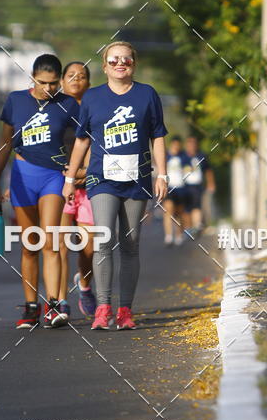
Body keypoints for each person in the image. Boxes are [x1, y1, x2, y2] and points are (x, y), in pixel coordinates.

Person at [63, 41, 168, 330]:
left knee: (131, 245)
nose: (120, 63)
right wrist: (71, 178)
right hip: (101, 178)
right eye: (114, 60)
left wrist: (162, 174)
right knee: (104, 239)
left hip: (137, 179)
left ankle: (125, 311)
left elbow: (157, 135)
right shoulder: (94, 98)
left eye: (126, 59)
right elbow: (82, 139)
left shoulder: (147, 94)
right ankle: (103, 307)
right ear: (105, 66)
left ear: (134, 63)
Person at [0, 54, 79, 330]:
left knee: (51, 240)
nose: (49, 89)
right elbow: (5, 144)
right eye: (43, 83)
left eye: (54, 83)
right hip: (22, 174)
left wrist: (74, 175)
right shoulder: (16, 101)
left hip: (53, 176)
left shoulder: (68, 105)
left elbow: (80, 143)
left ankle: (53, 304)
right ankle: (31, 307)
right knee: (30, 244)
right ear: (32, 77)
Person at [58, 61, 97, 319]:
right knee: (59, 244)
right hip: (58, 183)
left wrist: (84, 172)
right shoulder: (52, 109)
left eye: (81, 76)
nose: (76, 79)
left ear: (88, 83)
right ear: (61, 81)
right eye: (70, 75)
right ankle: (60, 300)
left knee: (88, 246)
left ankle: (84, 284)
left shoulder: (94, 108)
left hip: (87, 183)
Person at [183, 135, 216, 236]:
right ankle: (188, 228)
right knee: (186, 208)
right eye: (190, 143)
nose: (192, 146)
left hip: (197, 186)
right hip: (184, 186)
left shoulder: (201, 156)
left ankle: (197, 227)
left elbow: (208, 171)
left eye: (194, 143)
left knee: (196, 206)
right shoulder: (183, 157)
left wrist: (211, 183)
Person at [163, 136, 188, 246]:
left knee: (179, 213)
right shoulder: (166, 156)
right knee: (168, 211)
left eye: (178, 145)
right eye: (175, 144)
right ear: (172, 144)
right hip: (169, 187)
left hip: (181, 187)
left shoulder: (183, 157)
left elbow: (189, 170)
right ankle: (168, 236)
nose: (176, 147)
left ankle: (178, 234)